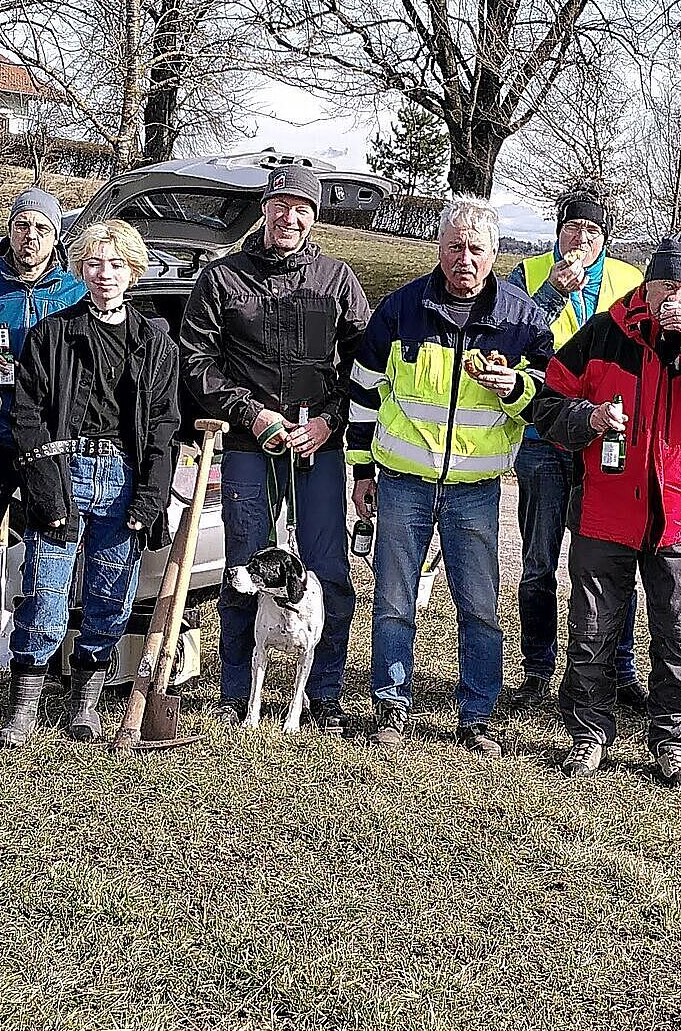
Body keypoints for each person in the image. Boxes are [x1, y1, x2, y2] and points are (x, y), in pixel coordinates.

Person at [532, 230, 681, 787]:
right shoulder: (603, 334)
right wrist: (585, 420)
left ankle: (673, 741)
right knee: (593, 630)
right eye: (666, 284)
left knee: (679, 635)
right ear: (648, 280)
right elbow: (545, 402)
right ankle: (588, 737)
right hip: (603, 512)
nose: (673, 298)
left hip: (678, 516)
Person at [348, 199, 553, 757]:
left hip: (476, 486)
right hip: (402, 479)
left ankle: (478, 714)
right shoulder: (399, 309)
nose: (464, 258)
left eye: (476, 249)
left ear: (495, 255)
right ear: (438, 248)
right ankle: (390, 704)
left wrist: (512, 386)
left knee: (479, 604)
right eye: (453, 246)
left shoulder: (522, 320)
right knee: (393, 600)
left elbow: (545, 401)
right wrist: (362, 468)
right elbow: (364, 393)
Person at [179, 163, 372, 734]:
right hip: (246, 443)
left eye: (303, 208)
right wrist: (250, 412)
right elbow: (197, 362)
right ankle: (240, 693)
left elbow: (364, 366)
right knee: (246, 566)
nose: (291, 217)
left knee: (328, 568)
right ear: (264, 207)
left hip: (318, 446)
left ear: (315, 216)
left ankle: (323, 691)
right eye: (281, 204)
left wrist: (333, 420)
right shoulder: (220, 279)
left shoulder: (337, 279)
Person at [0, 219, 182, 748]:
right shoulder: (52, 334)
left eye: (117, 264)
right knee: (47, 594)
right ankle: (25, 706)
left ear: (134, 272)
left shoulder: (154, 344)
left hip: (125, 477)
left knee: (110, 596)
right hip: (64, 469)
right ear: (80, 269)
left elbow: (164, 424)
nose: (105, 275)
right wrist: (46, 487)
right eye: (95, 264)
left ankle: (86, 704)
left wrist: (150, 496)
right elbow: (29, 415)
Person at [506, 189, 645, 713]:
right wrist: (548, 294)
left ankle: (619, 667)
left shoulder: (628, 281)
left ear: (605, 237)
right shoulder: (526, 274)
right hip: (544, 436)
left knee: (612, 561)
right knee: (538, 561)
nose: (581, 240)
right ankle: (537, 669)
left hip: (607, 439)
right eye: (572, 229)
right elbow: (510, 340)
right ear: (557, 232)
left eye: (592, 232)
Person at [0, 187, 85, 613]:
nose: (30, 236)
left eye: (42, 228)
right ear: (10, 230)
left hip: (52, 443)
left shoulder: (75, 293)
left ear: (56, 238)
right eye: (22, 225)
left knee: (52, 548)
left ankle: (41, 653)